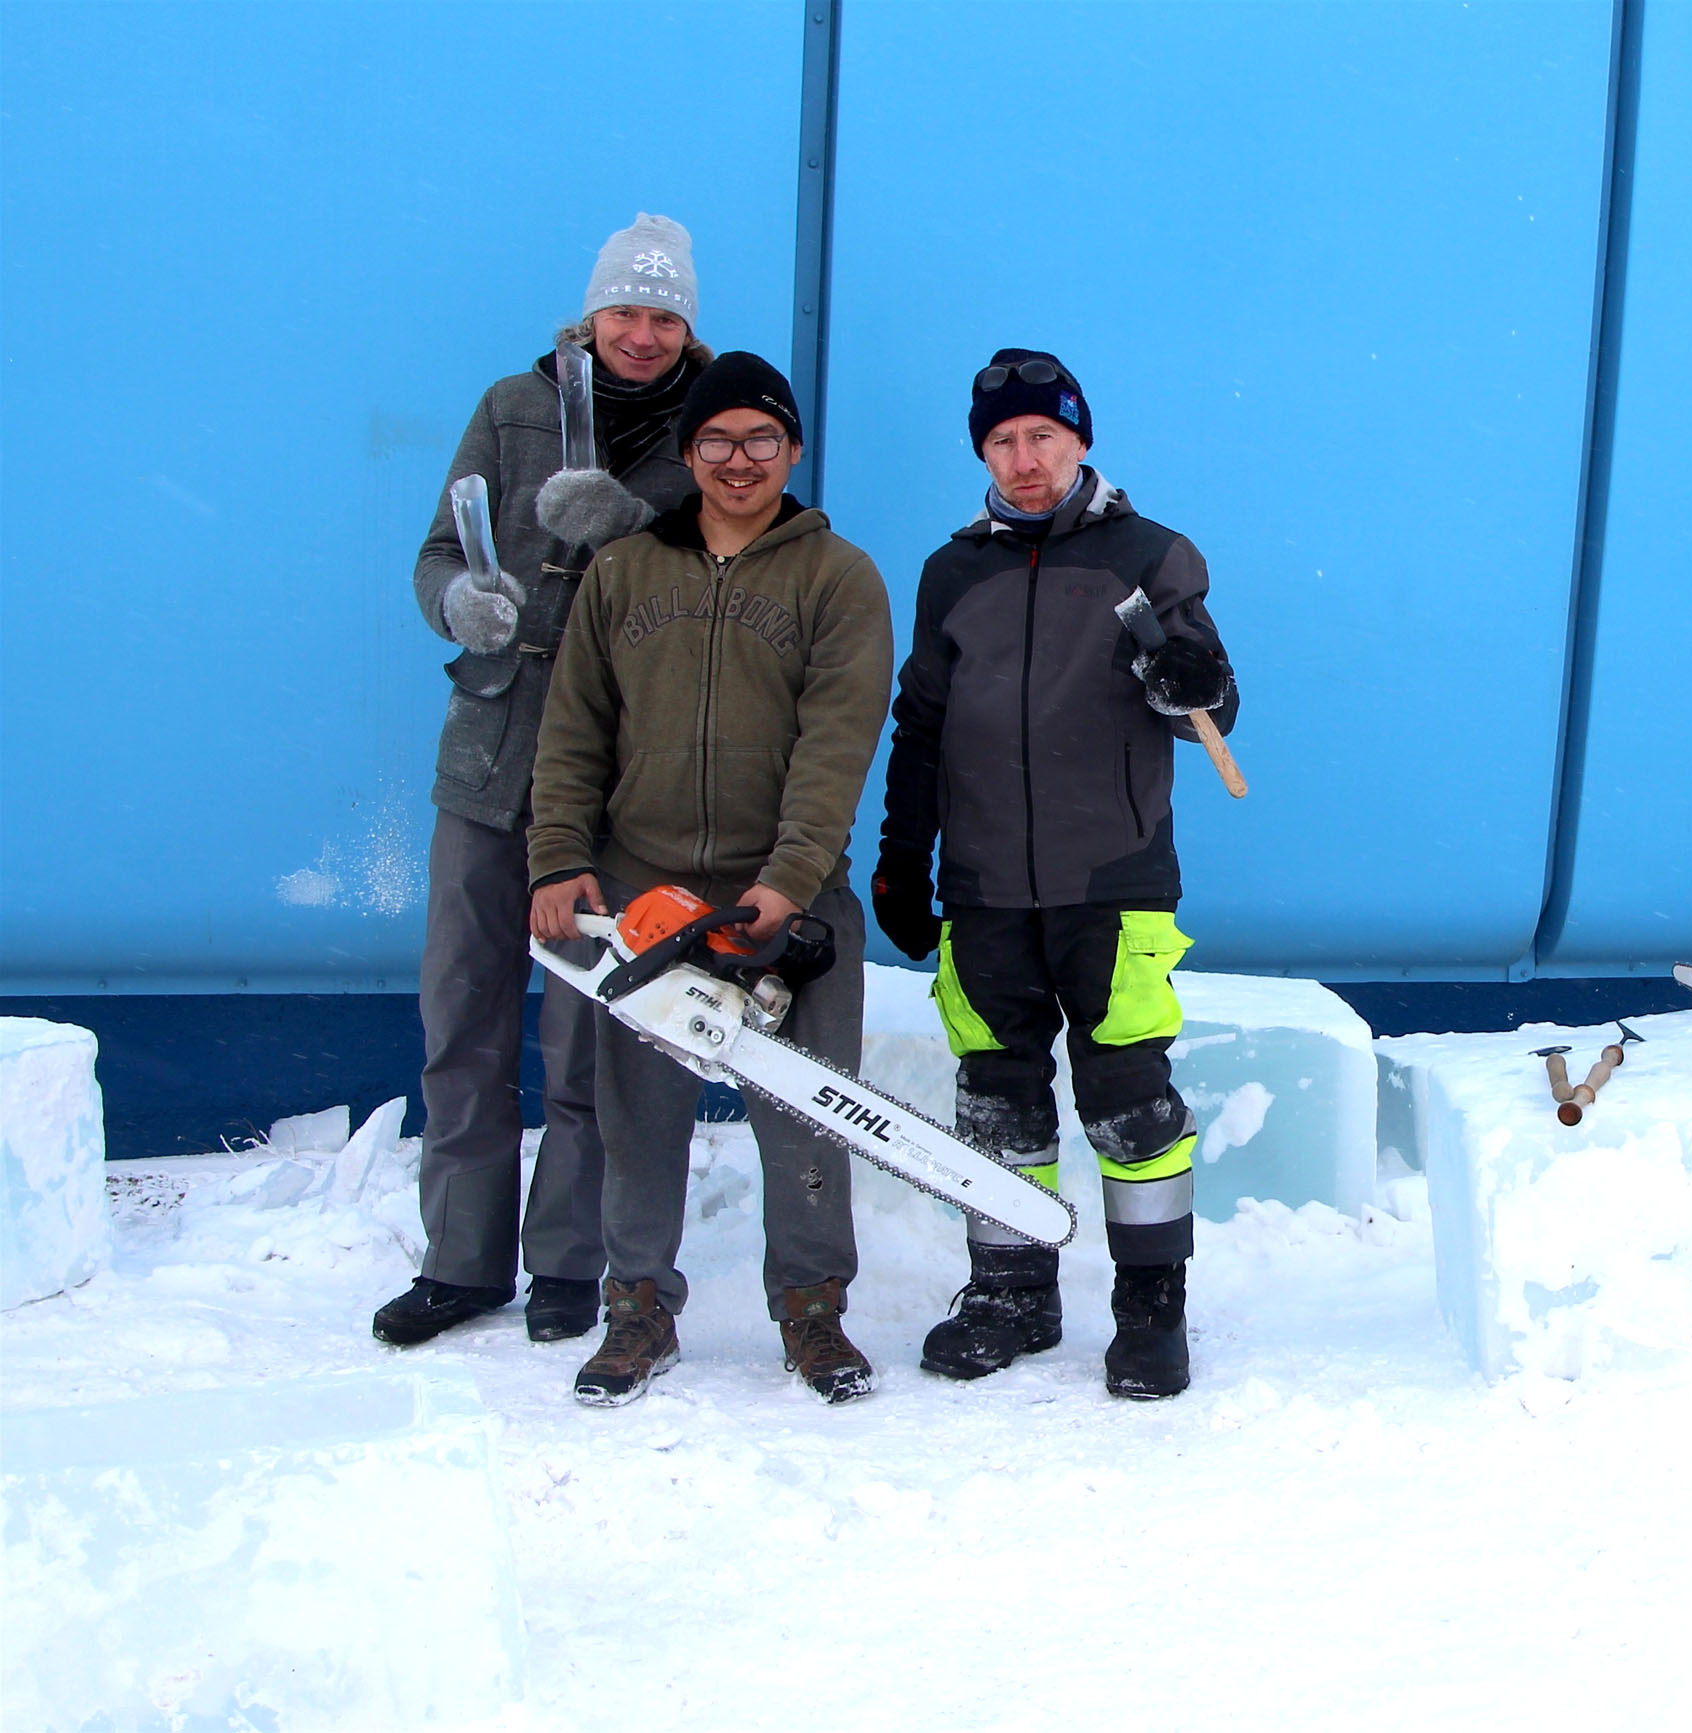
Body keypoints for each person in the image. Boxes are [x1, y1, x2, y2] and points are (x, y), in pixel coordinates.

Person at [527, 352, 894, 1407]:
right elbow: (574, 733)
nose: (740, 461)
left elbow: (837, 743)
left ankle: (812, 1308)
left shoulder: (838, 578)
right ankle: (637, 1302)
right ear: (688, 454)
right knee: (635, 1111)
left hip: (787, 896)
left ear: (793, 452)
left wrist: (787, 881)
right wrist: (560, 857)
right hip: (649, 899)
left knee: (807, 1115)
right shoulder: (623, 572)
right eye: (719, 441)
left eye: (762, 440)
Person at [872, 348, 1237, 1400]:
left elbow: (1213, 704)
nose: (1025, 459)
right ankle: (1011, 1288)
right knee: (996, 1098)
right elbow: (923, 725)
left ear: (1080, 438)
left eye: (1043, 436)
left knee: (1129, 1100)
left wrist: (1189, 679)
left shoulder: (1151, 555)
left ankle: (1150, 1305)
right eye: (1002, 441)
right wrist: (903, 856)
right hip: (983, 883)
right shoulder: (955, 571)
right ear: (982, 451)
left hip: (1113, 879)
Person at [375, 213, 710, 1348]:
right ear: (592, 312)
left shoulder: (706, 430)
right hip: (489, 757)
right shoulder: (514, 410)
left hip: (616, 780)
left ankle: (567, 1258)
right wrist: (457, 603)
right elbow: (437, 552)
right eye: (627, 309)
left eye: (665, 315)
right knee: (462, 1015)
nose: (644, 333)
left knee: (584, 1028)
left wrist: (632, 527)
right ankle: (461, 1258)